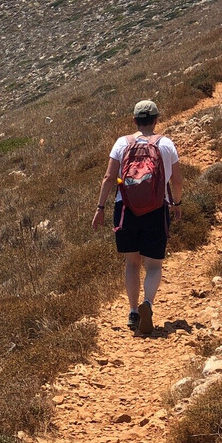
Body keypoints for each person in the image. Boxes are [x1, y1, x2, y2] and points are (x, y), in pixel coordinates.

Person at [92, 100, 182, 335]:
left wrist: (100, 208)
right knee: (154, 264)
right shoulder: (166, 144)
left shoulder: (122, 143)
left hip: (126, 209)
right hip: (156, 209)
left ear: (134, 120)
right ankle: (148, 305)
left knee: (132, 263)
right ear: (156, 120)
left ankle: (133, 311)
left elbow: (108, 177)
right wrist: (177, 203)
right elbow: (178, 180)